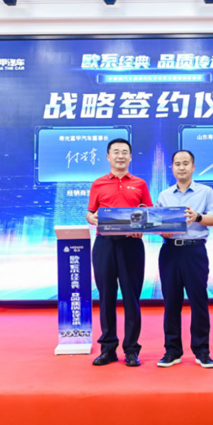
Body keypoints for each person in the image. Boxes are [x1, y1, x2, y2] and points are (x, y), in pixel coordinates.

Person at [86, 138, 153, 367]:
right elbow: (90, 213)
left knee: (131, 298)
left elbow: (149, 213)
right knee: (106, 297)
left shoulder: (140, 184)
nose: (120, 156)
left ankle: (131, 350)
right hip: (104, 244)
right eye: (116, 152)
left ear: (130, 157)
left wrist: (143, 226)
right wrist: (92, 218)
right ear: (108, 157)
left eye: (125, 152)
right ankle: (108, 349)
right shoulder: (98, 184)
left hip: (131, 245)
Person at [156, 150, 213, 369]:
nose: (181, 167)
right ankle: (172, 351)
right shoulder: (164, 195)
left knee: (198, 301)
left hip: (195, 251)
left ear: (193, 167)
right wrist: (162, 231)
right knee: (171, 302)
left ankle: (202, 351)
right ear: (171, 168)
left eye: (185, 163)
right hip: (170, 252)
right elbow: (159, 225)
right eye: (177, 164)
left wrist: (197, 217)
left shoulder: (205, 191)